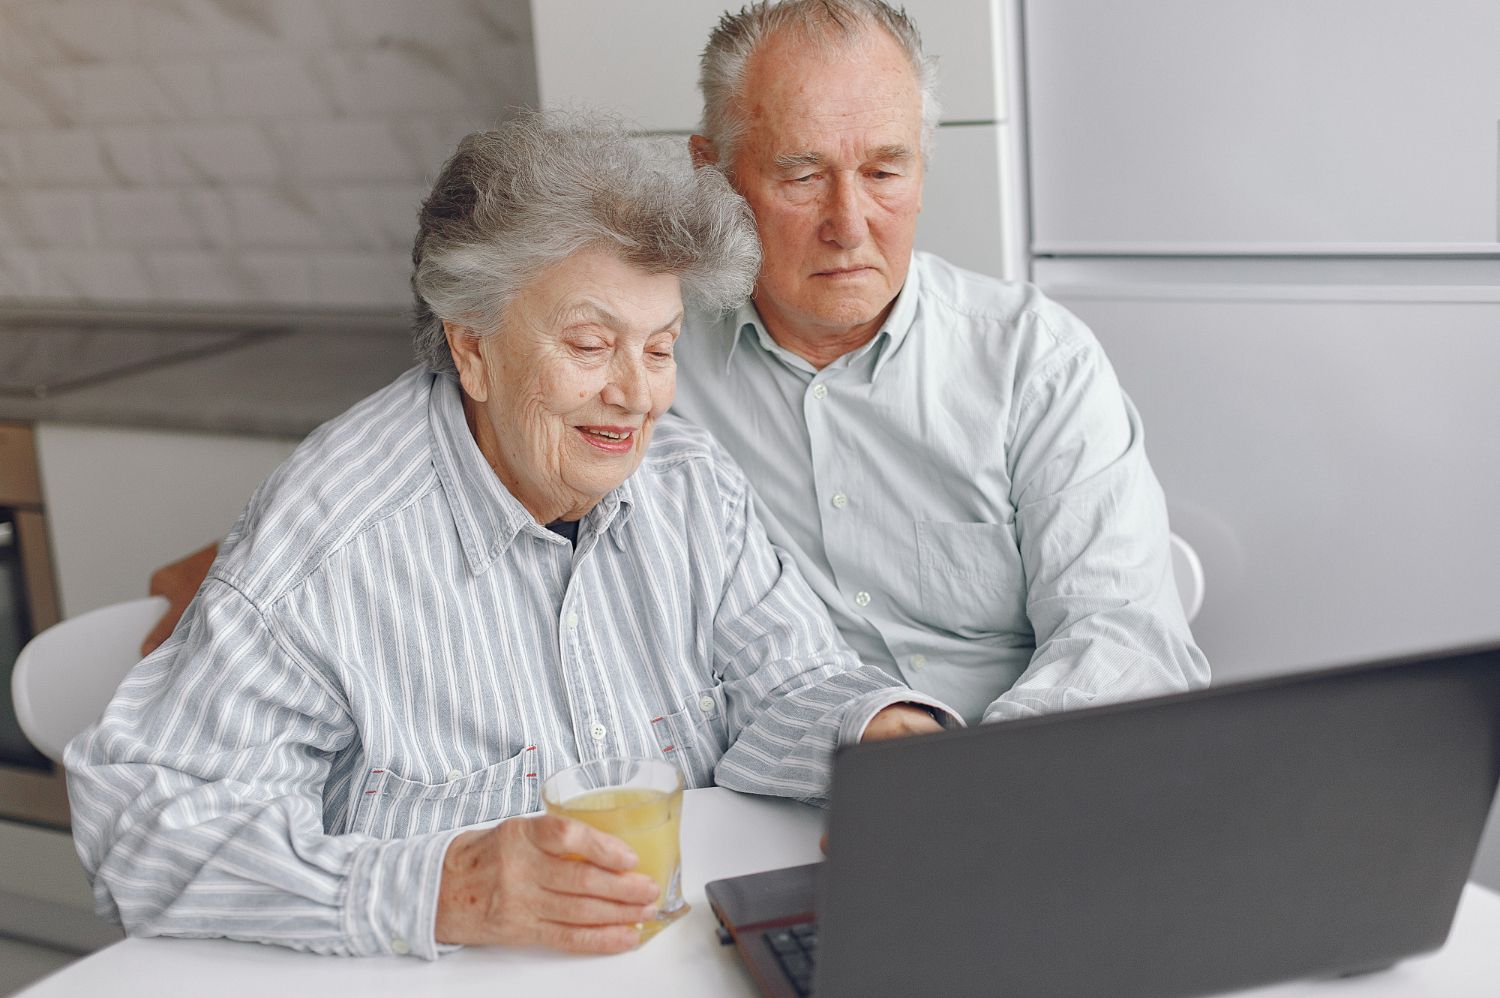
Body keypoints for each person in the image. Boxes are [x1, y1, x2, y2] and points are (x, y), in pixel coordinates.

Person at [142, 0, 1208, 723]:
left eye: (886, 169)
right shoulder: (635, 359)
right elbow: (433, 472)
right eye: (800, 174)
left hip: (1010, 784)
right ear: (713, 172)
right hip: (744, 801)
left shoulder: (1031, 359)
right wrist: (249, 570)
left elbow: (1127, 632)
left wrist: (972, 785)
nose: (851, 223)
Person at [68, 113, 955, 961]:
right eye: (589, 343)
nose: (637, 396)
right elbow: (145, 828)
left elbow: (786, 677)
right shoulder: (333, 543)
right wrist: (450, 888)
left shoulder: (688, 482)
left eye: (659, 347)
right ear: (473, 350)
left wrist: (881, 738)